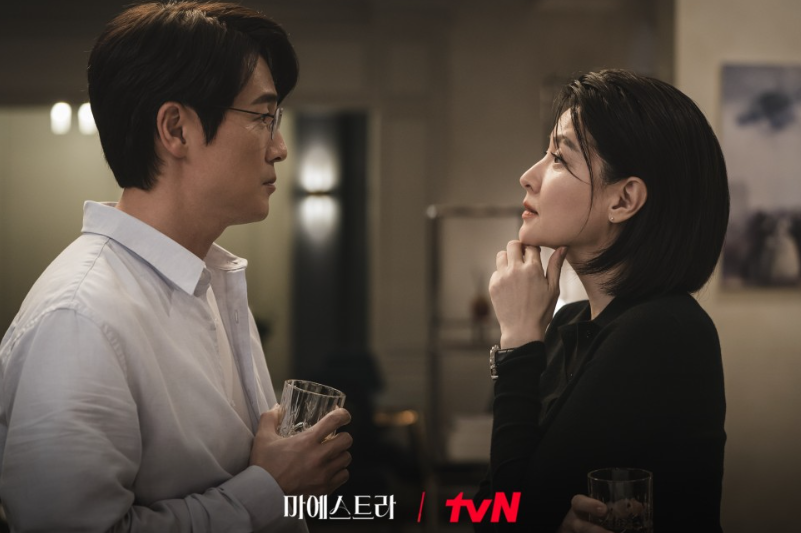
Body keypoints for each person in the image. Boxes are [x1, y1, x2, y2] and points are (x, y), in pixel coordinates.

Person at [0, 2, 352, 531]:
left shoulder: (207, 281)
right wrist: (268, 489)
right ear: (176, 129)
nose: (279, 148)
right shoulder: (79, 318)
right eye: (263, 117)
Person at [475, 69, 729, 532]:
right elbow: (487, 510)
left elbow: (507, 517)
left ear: (624, 200)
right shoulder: (570, 324)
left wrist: (518, 340)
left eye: (558, 158)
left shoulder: (663, 330)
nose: (528, 177)